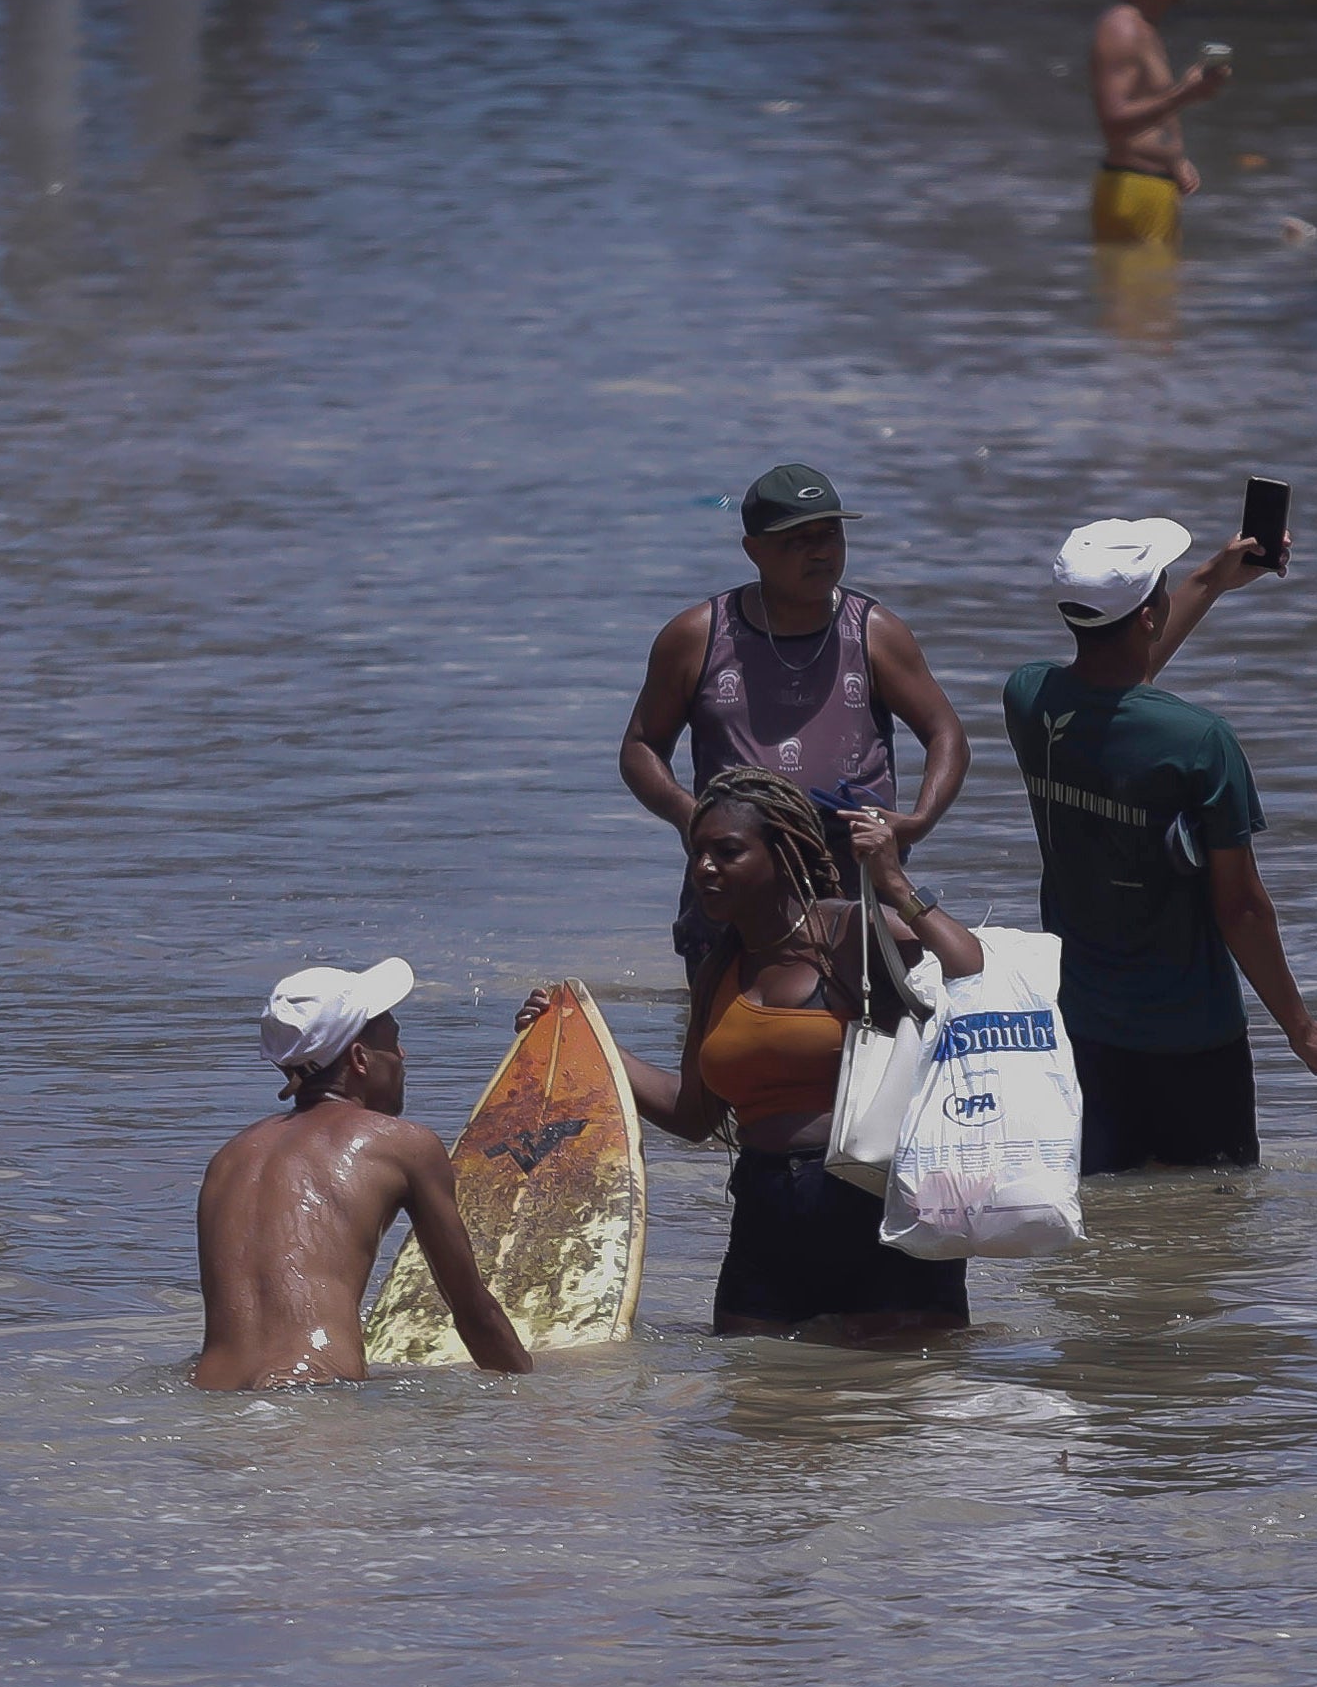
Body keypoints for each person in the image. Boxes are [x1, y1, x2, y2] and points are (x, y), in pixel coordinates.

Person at [543, 766, 987, 1337]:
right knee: (754, 1403)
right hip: (765, 1214)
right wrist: (583, 1036)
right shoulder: (717, 972)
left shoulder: (852, 935)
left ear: (782, 855)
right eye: (696, 853)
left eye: (727, 852)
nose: (704, 868)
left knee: (893, 1410)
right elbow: (693, 1115)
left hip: (879, 1210)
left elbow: (970, 968)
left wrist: (894, 883)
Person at [1004, 516, 1317, 1174]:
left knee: (1102, 1223)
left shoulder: (1029, 700)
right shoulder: (1199, 742)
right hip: (1193, 1040)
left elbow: (1109, 685)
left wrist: (1208, 583)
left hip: (1080, 1032)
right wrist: (1300, 1028)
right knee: (1209, 1236)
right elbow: (1242, 907)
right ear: (1149, 614)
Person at [621, 463, 970, 975]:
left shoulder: (875, 632)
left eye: (830, 534)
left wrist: (917, 822)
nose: (821, 551)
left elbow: (947, 734)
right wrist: (688, 814)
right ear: (753, 549)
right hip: (734, 880)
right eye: (797, 540)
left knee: (859, 1030)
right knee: (724, 1038)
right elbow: (640, 746)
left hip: (853, 876)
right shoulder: (697, 636)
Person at [192, 957, 534, 1390]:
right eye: (393, 1041)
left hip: (212, 1398)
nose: (402, 1055)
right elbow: (472, 1313)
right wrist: (535, 1403)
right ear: (359, 1058)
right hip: (317, 1396)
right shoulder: (403, 1145)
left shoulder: (229, 1159)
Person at [1089, 0, 1231, 251]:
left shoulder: (1144, 29)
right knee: (1137, 299)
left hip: (1152, 189)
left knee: (1160, 299)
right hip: (1133, 190)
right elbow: (1112, 119)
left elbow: (1146, 114)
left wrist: (1173, 159)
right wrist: (1185, 94)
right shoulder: (1122, 28)